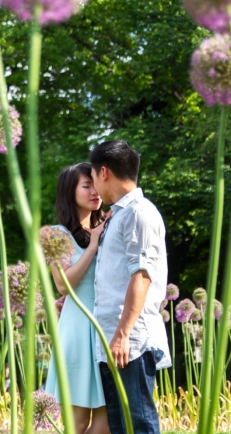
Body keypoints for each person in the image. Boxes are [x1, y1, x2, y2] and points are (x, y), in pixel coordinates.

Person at [89, 139, 171, 434]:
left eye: (93, 178)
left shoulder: (140, 213)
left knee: (138, 422)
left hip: (130, 340)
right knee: (121, 426)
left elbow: (143, 275)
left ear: (104, 172)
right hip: (111, 338)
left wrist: (123, 335)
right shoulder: (119, 214)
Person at [44, 162, 110, 434]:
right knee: (78, 423)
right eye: (86, 186)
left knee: (109, 422)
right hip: (79, 331)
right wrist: (93, 246)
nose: (95, 191)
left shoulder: (107, 226)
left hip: (106, 330)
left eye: (96, 184)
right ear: (69, 192)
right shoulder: (54, 234)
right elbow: (62, 284)